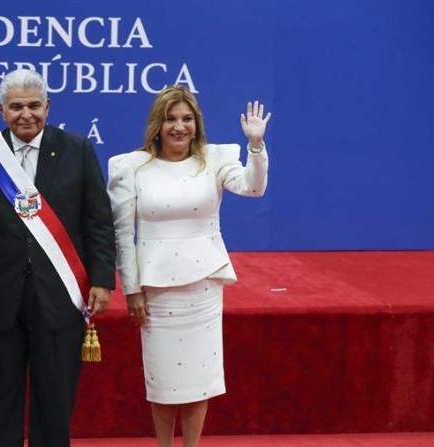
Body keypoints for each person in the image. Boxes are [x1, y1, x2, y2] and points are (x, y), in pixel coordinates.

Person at [107, 85, 271, 447]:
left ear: (197, 124)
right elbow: (122, 235)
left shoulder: (216, 158)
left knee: (199, 379)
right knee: (164, 380)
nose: (179, 127)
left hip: (204, 285)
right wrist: (131, 289)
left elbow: (253, 188)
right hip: (156, 290)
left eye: (186, 119)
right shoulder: (130, 166)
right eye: (170, 119)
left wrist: (255, 148)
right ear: (157, 124)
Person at [0, 68, 116, 447]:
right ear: (1, 110)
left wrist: (101, 278)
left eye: (34, 105)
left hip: (59, 296)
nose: (26, 114)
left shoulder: (77, 149)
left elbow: (98, 220)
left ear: (48, 107)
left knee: (54, 399)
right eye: (16, 107)